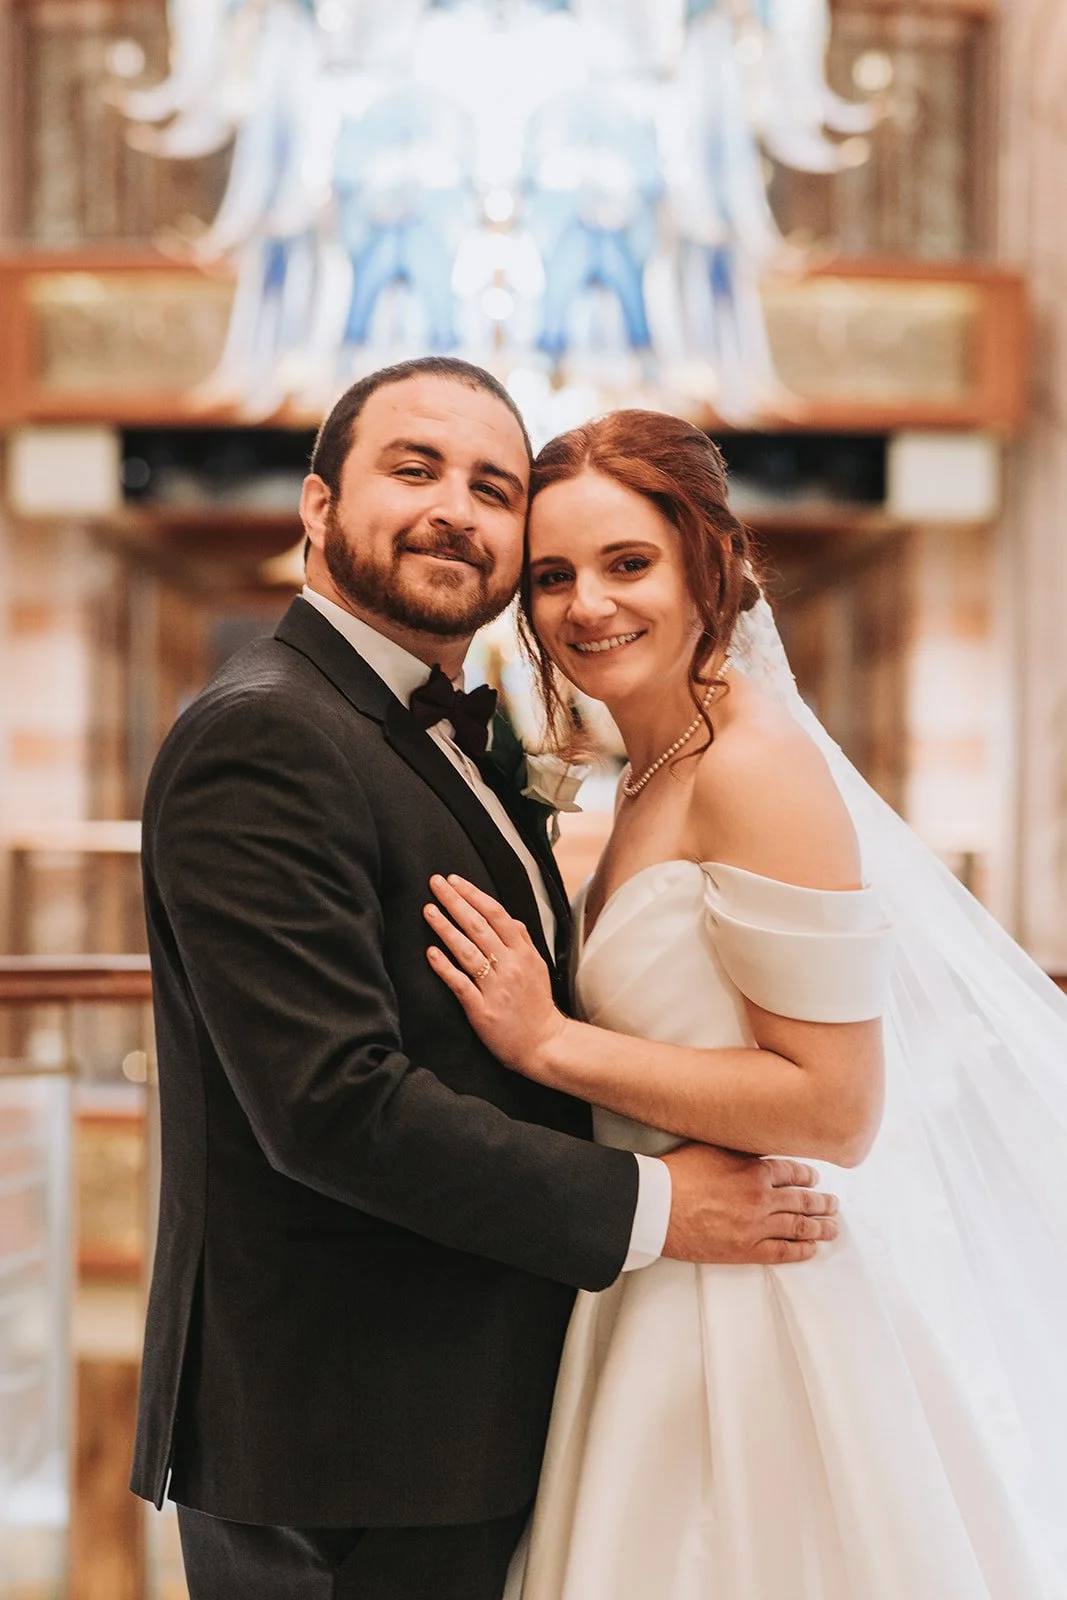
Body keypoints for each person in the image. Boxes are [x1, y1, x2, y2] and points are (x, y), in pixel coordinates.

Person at [129, 359, 840, 1600]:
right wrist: (661, 1207)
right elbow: (331, 1103)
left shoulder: (435, 725)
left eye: (491, 486)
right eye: (413, 469)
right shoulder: (265, 731)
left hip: (468, 1405)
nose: (455, 507)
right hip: (345, 1437)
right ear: (314, 503)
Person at [426, 409, 1067, 1599]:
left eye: (628, 564)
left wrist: (552, 1041)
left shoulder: (752, 761)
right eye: (553, 575)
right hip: (658, 1267)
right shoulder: (652, 768)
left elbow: (834, 1106)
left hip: (752, 1310)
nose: (587, 606)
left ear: (703, 564)